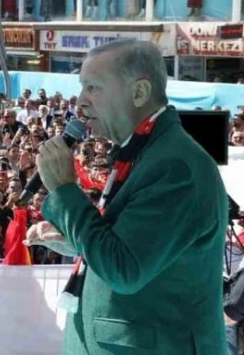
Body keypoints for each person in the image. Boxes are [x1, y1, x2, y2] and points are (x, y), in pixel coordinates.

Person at [29, 40, 228, 354]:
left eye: (93, 87)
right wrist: (71, 238)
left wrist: (66, 192)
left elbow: (125, 269)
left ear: (138, 93)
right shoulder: (144, 151)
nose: (80, 102)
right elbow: (137, 247)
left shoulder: (176, 167)